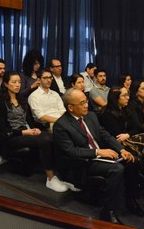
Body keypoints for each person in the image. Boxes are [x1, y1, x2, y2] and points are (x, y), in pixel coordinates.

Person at [53, 88, 137, 224]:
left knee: (131, 160)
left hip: (99, 155)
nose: (86, 105)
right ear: (71, 107)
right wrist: (98, 152)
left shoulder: (90, 116)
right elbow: (71, 152)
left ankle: (130, 200)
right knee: (117, 169)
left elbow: (105, 135)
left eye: (86, 101)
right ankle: (108, 211)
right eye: (82, 103)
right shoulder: (61, 125)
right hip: (83, 162)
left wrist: (121, 149)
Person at [0, 71, 69, 192]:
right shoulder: (0, 104)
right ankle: (50, 178)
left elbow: (29, 120)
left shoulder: (22, 99)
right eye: (14, 82)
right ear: (6, 84)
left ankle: (64, 174)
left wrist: (34, 129)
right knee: (44, 140)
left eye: (19, 82)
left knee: (54, 137)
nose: (17, 85)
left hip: (26, 132)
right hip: (11, 137)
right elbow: (2, 131)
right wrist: (24, 133)